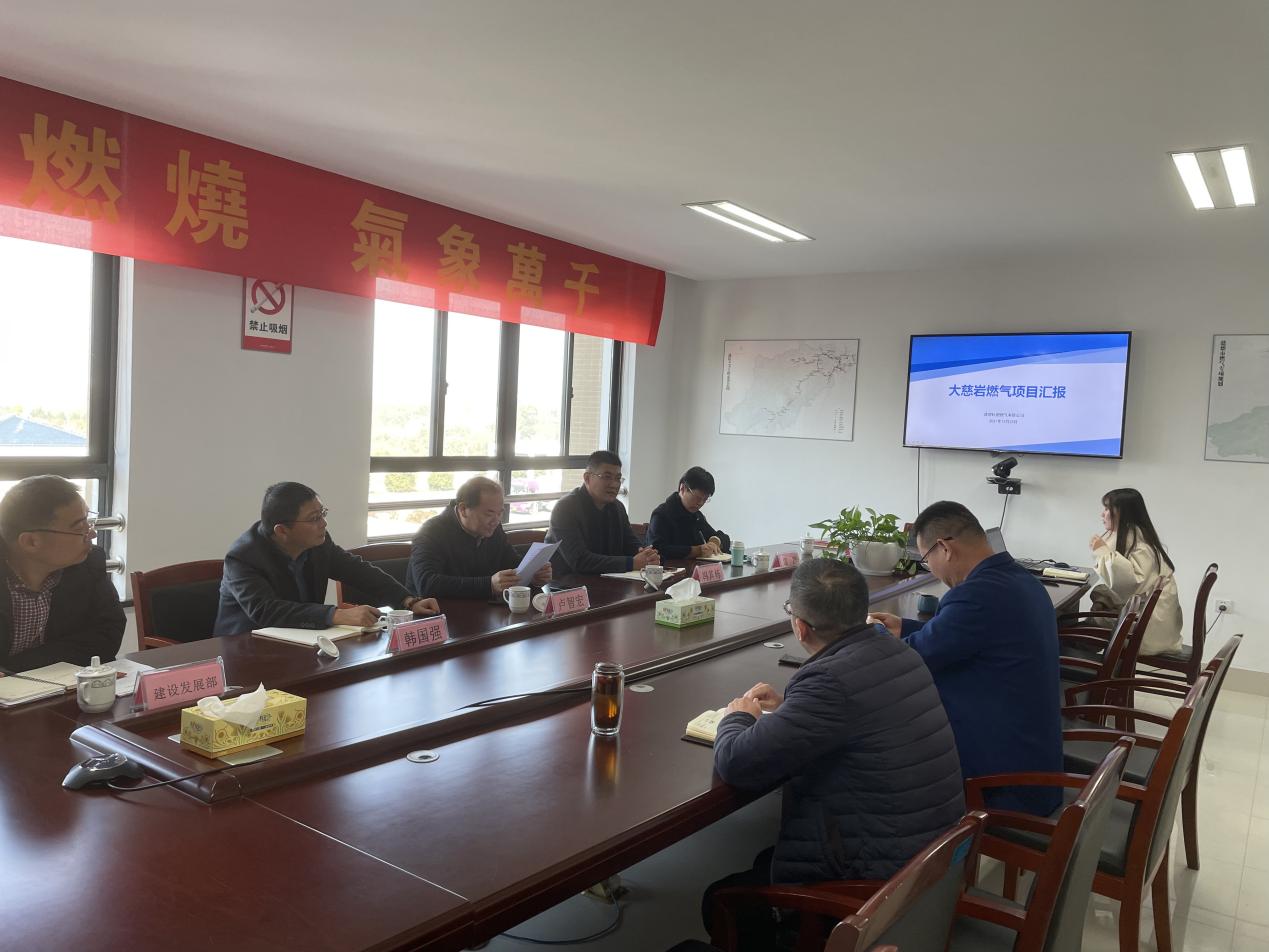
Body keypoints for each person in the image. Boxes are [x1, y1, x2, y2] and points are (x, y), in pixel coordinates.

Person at [704, 559, 964, 948]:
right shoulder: (897, 651)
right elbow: (857, 716)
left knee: (720, 899)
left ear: (800, 627)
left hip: (876, 884)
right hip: (924, 862)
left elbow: (737, 763)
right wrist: (791, 708)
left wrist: (737, 718)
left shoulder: (829, 681)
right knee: (762, 861)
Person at [869, 500, 1062, 816]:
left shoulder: (975, 595)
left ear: (944, 548)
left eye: (926, 559)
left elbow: (909, 663)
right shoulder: (1018, 579)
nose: (930, 570)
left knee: (873, 764)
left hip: (999, 783)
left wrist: (872, 633)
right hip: (1032, 760)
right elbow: (962, 637)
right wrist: (904, 627)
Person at [214, 482, 438, 635]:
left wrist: (408, 600)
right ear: (282, 530)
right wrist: (336, 615)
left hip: (301, 640)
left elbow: (357, 571)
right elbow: (266, 610)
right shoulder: (243, 557)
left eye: (323, 513)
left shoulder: (317, 543)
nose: (323, 523)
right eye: (314, 518)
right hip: (245, 649)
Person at [0, 476, 125, 672]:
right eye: (79, 528)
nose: (92, 534)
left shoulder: (88, 564)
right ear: (31, 542)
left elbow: (107, 635)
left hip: (63, 685)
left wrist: (15, 669)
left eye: (89, 522)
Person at [409, 476, 551, 599]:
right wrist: (488, 585)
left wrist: (532, 575)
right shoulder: (431, 532)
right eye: (489, 514)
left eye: (499, 513)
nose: (496, 520)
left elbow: (511, 562)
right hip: (437, 615)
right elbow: (427, 584)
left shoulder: (493, 528)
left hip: (483, 611)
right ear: (463, 510)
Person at [1089, 488, 1183, 656]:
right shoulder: (1139, 537)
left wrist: (1103, 552)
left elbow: (1131, 584)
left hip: (1148, 629)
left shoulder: (1141, 546)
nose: (1102, 514)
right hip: (1149, 620)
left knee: (1080, 628)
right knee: (1099, 602)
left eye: (1107, 509)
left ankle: (1074, 665)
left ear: (1122, 513)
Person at [545, 451, 659, 575]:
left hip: (609, 580)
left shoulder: (617, 507)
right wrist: (631, 563)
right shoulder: (565, 508)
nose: (614, 484)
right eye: (607, 477)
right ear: (587, 478)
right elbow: (579, 560)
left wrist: (647, 555)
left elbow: (630, 543)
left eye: (618, 478)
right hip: (567, 583)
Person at [647, 466, 731, 559]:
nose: (700, 503)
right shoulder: (661, 514)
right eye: (698, 498)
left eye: (705, 499)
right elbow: (657, 550)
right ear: (683, 488)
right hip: (671, 567)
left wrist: (714, 542)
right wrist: (697, 550)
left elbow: (723, 537)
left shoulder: (696, 515)